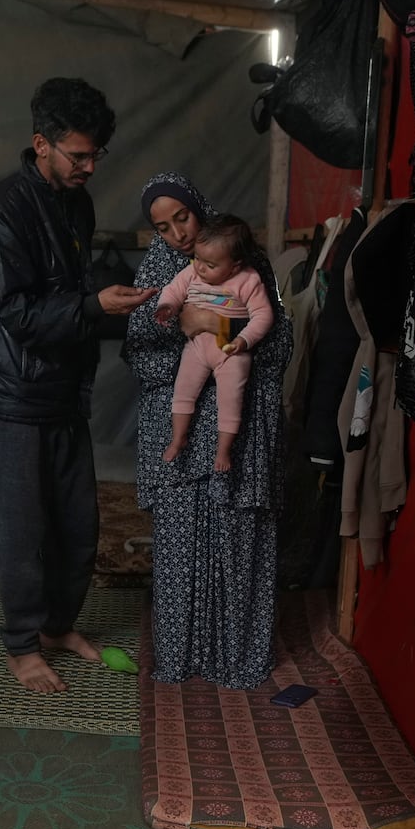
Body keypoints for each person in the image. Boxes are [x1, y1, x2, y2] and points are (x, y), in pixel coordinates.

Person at [0, 77, 156, 693]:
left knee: (78, 524)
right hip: (11, 392)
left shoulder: (77, 203)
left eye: (97, 155)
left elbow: (69, 289)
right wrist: (96, 304)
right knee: (20, 529)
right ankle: (22, 644)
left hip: (64, 384)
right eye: (79, 155)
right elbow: (18, 315)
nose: (90, 167)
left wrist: (107, 296)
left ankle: (57, 626)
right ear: (40, 143)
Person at [123, 173, 292, 689]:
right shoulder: (157, 270)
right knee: (178, 549)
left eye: (184, 217)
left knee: (238, 542)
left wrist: (214, 328)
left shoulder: (246, 263)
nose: (178, 233)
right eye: (163, 225)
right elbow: (139, 352)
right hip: (176, 427)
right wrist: (181, 323)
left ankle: (236, 660)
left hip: (235, 431)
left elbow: (277, 344)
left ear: (201, 209)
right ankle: (178, 658)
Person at [153, 214, 275, 472]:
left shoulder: (248, 280)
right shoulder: (191, 272)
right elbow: (173, 290)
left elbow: (264, 316)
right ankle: (178, 437)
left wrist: (244, 339)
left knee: (230, 399)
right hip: (197, 346)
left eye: (210, 264)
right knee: (183, 390)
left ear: (235, 266)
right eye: (198, 259)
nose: (200, 267)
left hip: (231, 351)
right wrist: (167, 307)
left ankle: (223, 450)